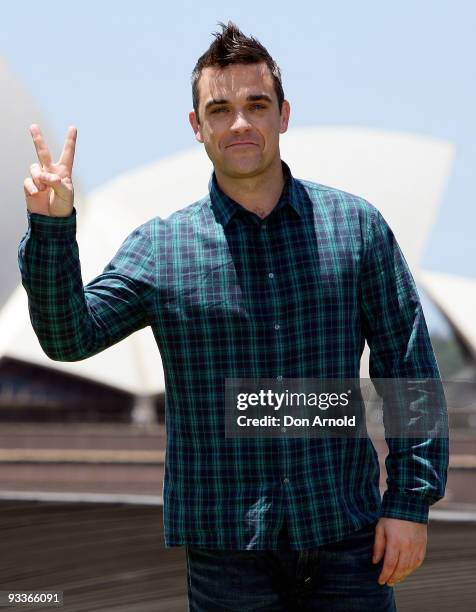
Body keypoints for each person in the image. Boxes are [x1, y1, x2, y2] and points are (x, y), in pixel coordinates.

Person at [19, 21, 448, 612]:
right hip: (227, 555)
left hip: (348, 542)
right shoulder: (162, 249)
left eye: (256, 104)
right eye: (219, 109)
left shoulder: (356, 228)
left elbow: (409, 369)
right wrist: (51, 227)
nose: (239, 123)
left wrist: (410, 503)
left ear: (284, 114)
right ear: (197, 126)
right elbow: (67, 339)